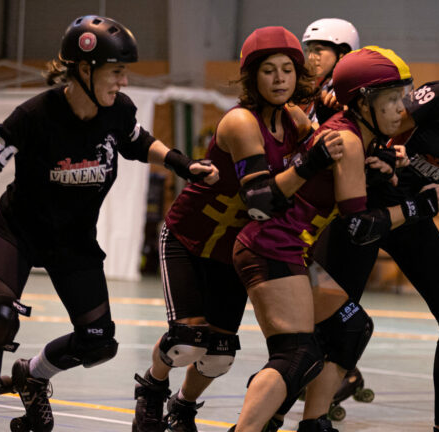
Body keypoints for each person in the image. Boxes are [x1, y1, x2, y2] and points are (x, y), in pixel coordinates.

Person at [0, 15, 220, 432]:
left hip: (73, 241)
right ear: (83, 69)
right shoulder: (34, 115)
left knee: (98, 342)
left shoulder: (118, 112)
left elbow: (140, 142)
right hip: (18, 232)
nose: (124, 82)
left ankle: (32, 377)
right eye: (116, 72)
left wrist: (185, 164)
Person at [301, 32, 439, 431]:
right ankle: (276, 414)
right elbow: (379, 125)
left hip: (411, 219)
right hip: (366, 211)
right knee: (335, 330)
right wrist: (384, 159)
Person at [130, 26, 344, 432]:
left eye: (287, 70)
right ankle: (152, 387)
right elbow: (260, 202)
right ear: (252, 78)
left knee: (220, 353)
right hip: (189, 239)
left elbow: (330, 161)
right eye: (269, 71)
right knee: (187, 339)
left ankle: (183, 405)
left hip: (232, 250)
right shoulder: (240, 122)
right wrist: (311, 161)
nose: (280, 79)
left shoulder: (295, 119)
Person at [228, 46, 439, 432]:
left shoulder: (355, 134)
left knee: (349, 327)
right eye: (390, 99)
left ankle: (314, 423)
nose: (401, 108)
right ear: (361, 102)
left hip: (288, 248)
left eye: (402, 97)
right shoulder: (350, 140)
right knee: (296, 355)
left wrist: (381, 168)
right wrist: (417, 209)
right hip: (270, 247)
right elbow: (358, 227)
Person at [302, 18, 359, 127]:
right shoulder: (323, 86)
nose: (311, 57)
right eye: (308, 51)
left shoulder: (353, 91)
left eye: (318, 50)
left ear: (342, 53)